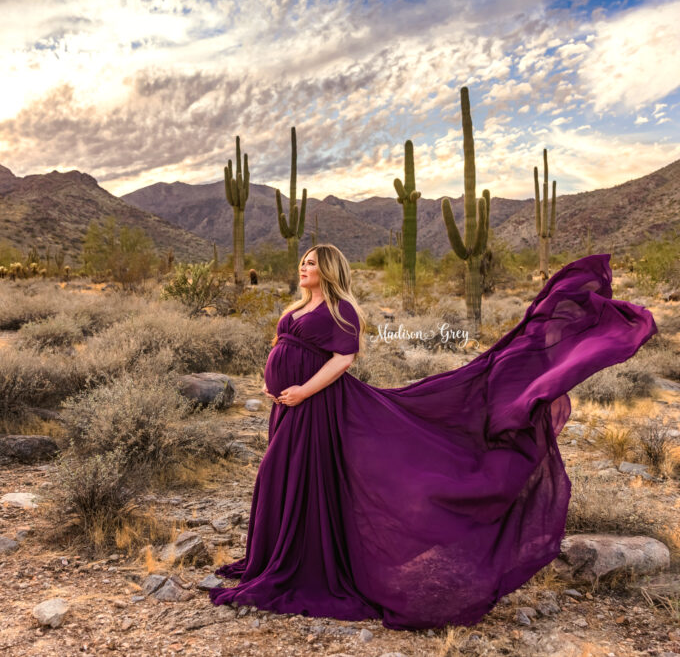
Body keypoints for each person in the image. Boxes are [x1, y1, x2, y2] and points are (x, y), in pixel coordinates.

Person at [209, 244, 658, 631]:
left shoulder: (340, 309)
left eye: (311, 262)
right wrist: (274, 386)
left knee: (297, 476)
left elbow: (343, 357)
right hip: (288, 406)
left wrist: (304, 389)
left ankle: (305, 564)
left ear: (328, 269)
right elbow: (285, 349)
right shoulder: (297, 306)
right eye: (303, 261)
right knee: (280, 477)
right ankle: (272, 559)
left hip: (319, 406)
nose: (303, 267)